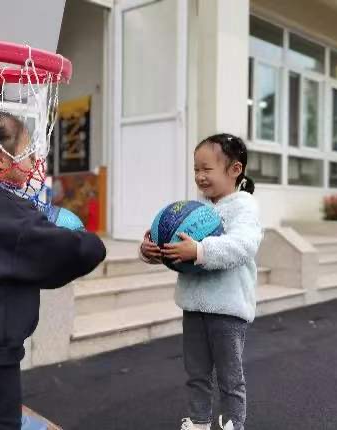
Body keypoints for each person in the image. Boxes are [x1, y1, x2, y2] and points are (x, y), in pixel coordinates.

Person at [0, 111, 107, 429]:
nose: (34, 158)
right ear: (2, 159)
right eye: (28, 150)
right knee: (3, 423)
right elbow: (62, 252)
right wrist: (89, 243)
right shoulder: (10, 211)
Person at [140, 133, 263, 430]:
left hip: (228, 309)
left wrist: (200, 250)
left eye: (207, 169)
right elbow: (167, 241)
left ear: (235, 170)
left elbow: (243, 246)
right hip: (194, 306)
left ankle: (233, 424)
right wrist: (151, 250)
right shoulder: (195, 209)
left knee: (229, 376)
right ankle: (198, 422)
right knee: (196, 372)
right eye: (196, 169)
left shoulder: (244, 207)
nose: (200, 176)